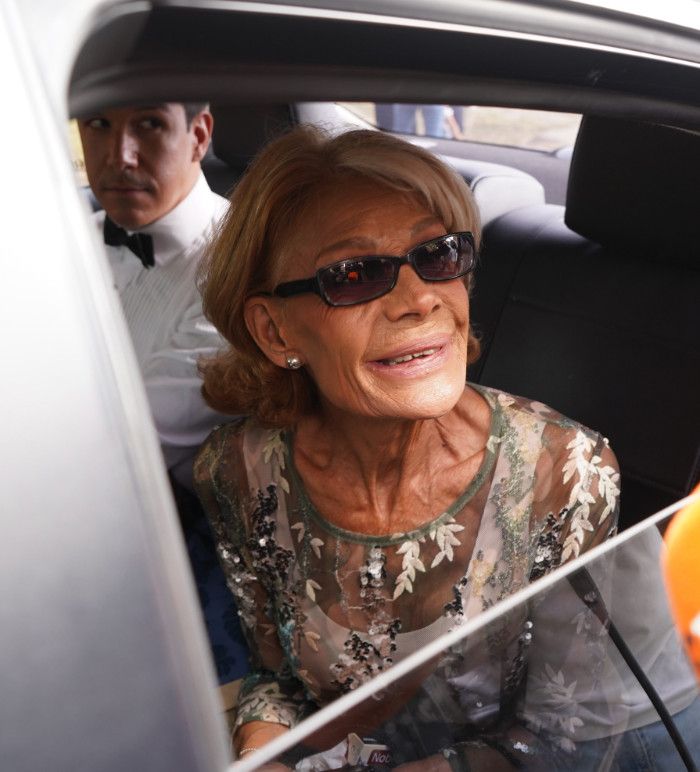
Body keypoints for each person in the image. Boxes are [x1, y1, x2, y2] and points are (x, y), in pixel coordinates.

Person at [193, 126, 620, 766]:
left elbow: (568, 738)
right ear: (274, 328)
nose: (420, 298)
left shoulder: (566, 473)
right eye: (356, 274)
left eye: (440, 255)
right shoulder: (239, 470)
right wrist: (263, 748)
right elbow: (277, 679)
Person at [78, 102, 249, 695]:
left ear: (199, 134)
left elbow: (118, 454)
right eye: (98, 123)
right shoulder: (61, 237)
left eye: (148, 124)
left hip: (146, 565)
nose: (119, 154)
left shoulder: (239, 267)